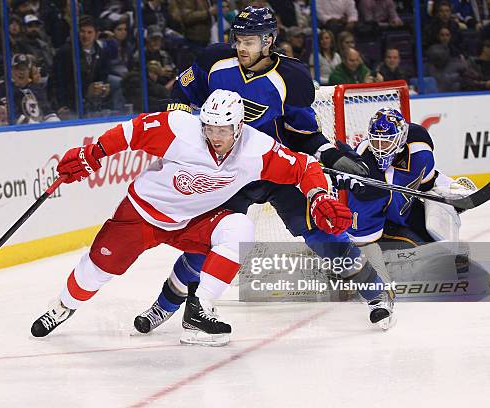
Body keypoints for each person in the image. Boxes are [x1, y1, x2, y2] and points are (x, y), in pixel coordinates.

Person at [134, 6, 395, 335]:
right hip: (226, 172)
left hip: (273, 167)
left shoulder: (291, 78)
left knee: (321, 233)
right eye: (238, 39)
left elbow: (303, 131)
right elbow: (181, 96)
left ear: (269, 40)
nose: (242, 47)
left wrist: (330, 153)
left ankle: (376, 294)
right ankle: (165, 305)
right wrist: (181, 139)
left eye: (251, 41)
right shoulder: (214, 61)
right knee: (204, 243)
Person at [30, 89, 352, 345]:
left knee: (239, 227)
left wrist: (318, 195)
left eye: (223, 128)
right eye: (209, 126)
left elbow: (305, 166)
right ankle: (62, 306)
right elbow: (131, 132)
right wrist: (92, 154)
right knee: (95, 272)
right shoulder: (179, 129)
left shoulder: (257, 149)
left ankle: (201, 310)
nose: (214, 135)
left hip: (194, 221)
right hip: (142, 214)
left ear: (239, 126)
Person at [346, 107, 475, 247]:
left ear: (401, 138)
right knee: (422, 252)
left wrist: (447, 190)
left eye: (387, 141)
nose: (380, 148)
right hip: (381, 223)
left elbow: (427, 183)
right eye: (376, 141)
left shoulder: (420, 147)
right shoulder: (365, 169)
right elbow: (362, 238)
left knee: (443, 246)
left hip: (406, 211)